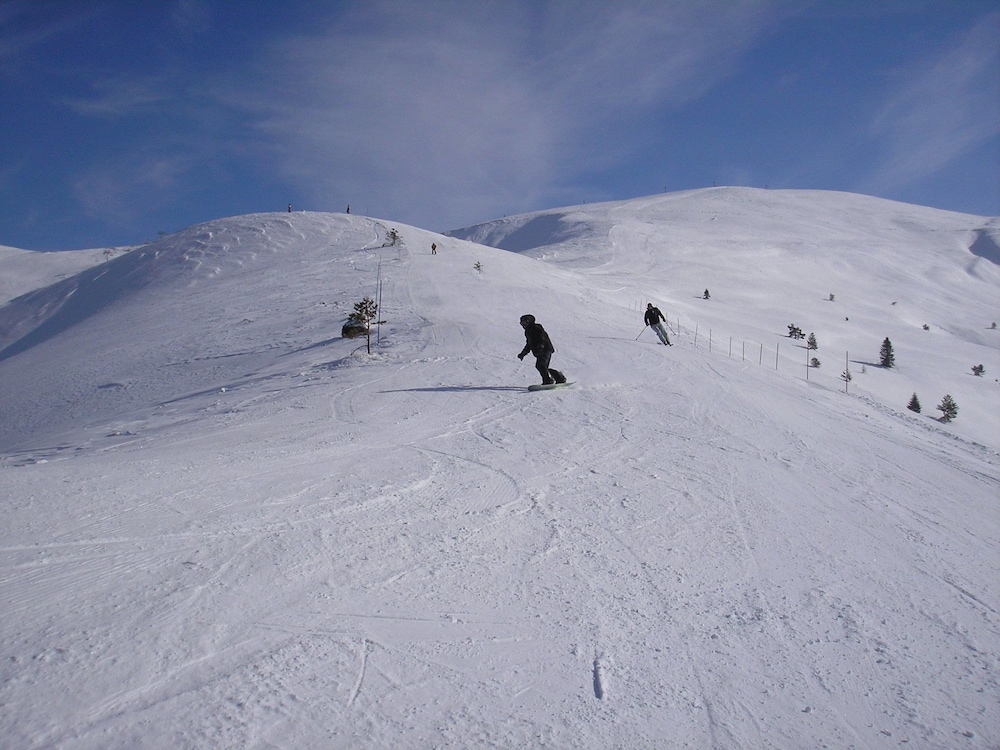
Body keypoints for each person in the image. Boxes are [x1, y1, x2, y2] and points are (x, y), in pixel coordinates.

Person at [518, 314, 566, 385]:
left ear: (529, 322)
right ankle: (559, 378)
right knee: (542, 366)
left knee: (541, 365)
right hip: (539, 351)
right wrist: (523, 353)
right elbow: (529, 344)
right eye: (521, 324)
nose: (523, 325)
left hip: (545, 349)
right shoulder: (527, 332)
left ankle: (548, 380)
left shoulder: (537, 328)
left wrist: (540, 347)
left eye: (524, 323)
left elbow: (541, 338)